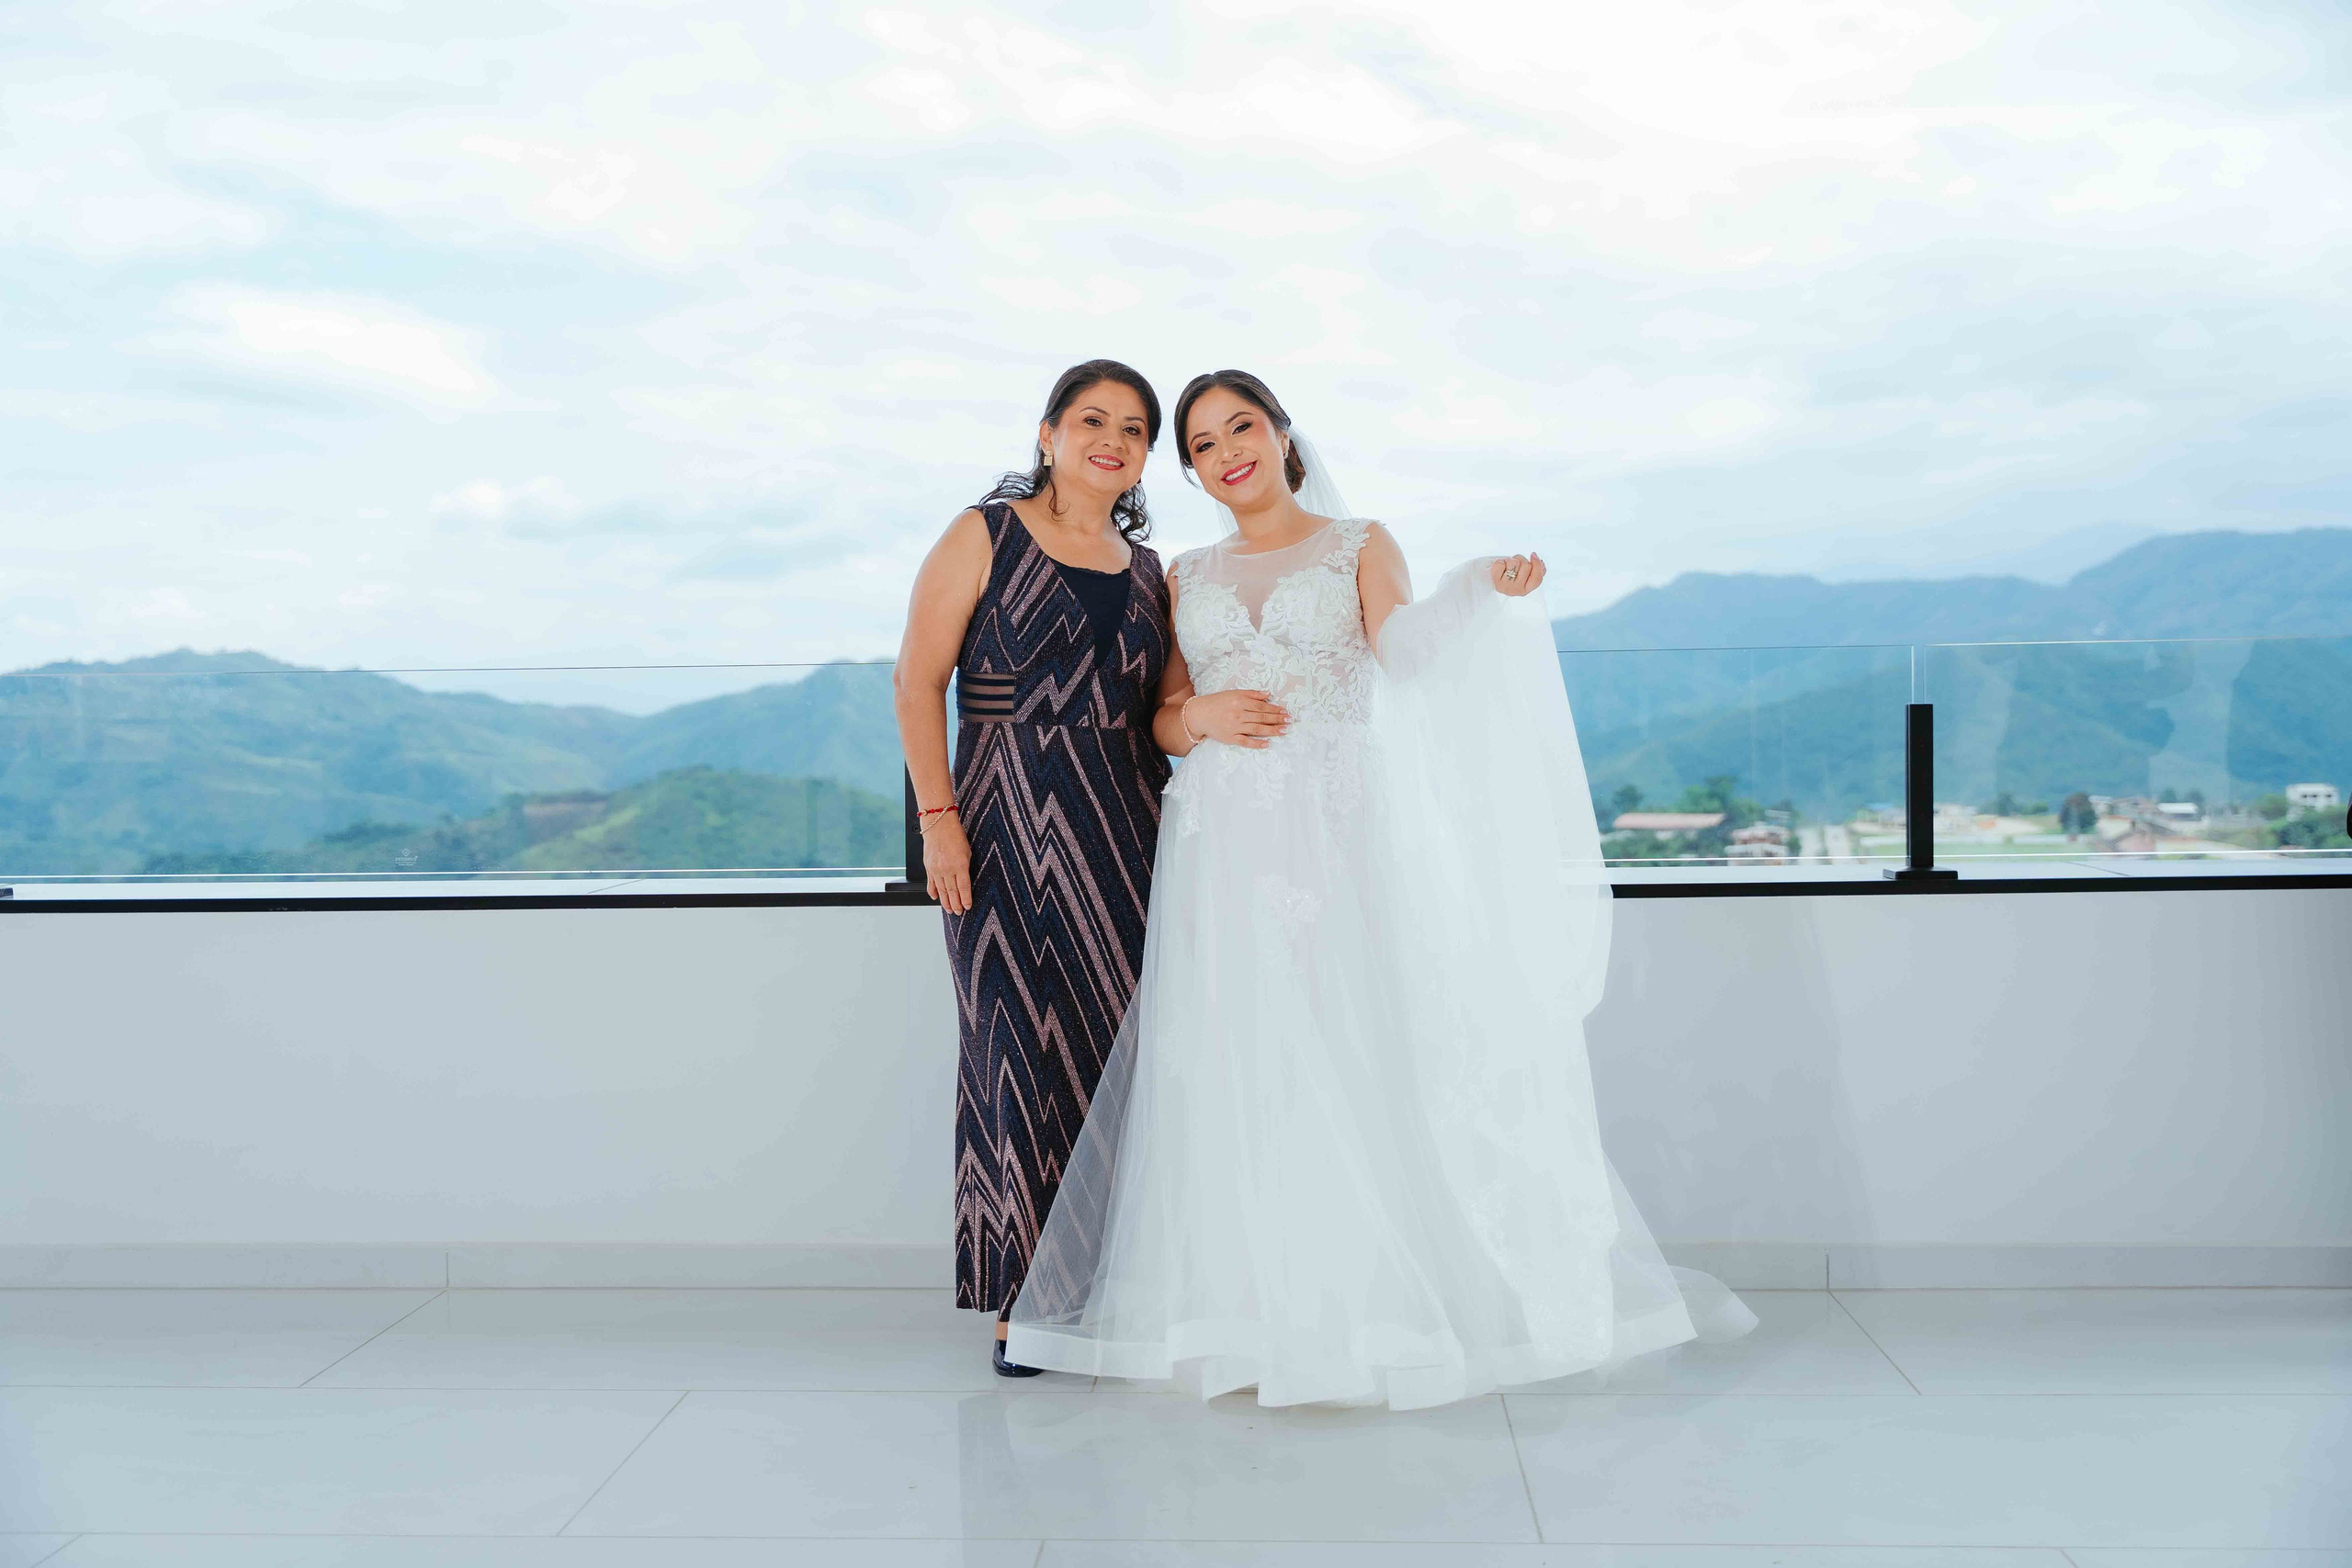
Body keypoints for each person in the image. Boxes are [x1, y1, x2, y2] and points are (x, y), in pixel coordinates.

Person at [1003, 369, 1754, 1408]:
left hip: (1338, 828)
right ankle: (1248, 1312)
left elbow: (1402, 651)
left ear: (1279, 435)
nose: (1230, 452)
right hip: (1221, 842)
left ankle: (1377, 1308)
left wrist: (1475, 587)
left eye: (1244, 427)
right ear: (1189, 470)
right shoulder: (1184, 572)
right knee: (1238, 1055)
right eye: (1206, 442)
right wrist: (1202, 721)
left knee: (1359, 1040)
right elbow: (1166, 715)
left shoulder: (1358, 545)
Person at [894, 360, 1239, 1376]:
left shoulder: (1147, 570)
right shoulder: (982, 533)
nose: (1113, 440)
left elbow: (1168, 715)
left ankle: (1092, 1287)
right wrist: (939, 818)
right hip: (997, 820)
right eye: (1092, 420)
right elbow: (917, 679)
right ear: (1046, 433)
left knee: (1108, 1061)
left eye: (1133, 429)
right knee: (1010, 1054)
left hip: (1123, 827)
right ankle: (1019, 1301)